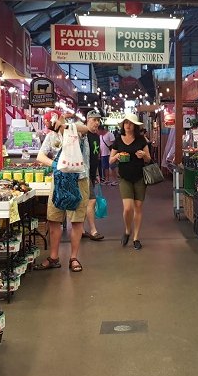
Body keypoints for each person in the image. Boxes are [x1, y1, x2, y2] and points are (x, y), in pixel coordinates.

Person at [35, 111, 91, 273]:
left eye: (53, 120)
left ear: (61, 118)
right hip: (59, 181)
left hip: (79, 180)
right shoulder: (51, 136)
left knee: (76, 220)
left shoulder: (75, 129)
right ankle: (53, 257)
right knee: (54, 218)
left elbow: (86, 128)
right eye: (49, 122)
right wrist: (55, 165)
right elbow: (40, 156)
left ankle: (73, 257)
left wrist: (66, 126)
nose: (52, 124)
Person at [109, 113, 150, 250]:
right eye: (126, 123)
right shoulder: (118, 140)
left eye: (130, 123)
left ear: (134, 126)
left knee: (138, 207)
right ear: (123, 125)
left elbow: (148, 159)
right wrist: (117, 156)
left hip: (139, 177)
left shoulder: (141, 140)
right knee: (127, 208)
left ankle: (136, 237)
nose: (128, 125)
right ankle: (127, 230)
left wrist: (144, 155)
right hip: (125, 178)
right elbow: (110, 160)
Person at [83, 111, 104, 241]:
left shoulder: (96, 136)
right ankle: (93, 230)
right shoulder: (83, 135)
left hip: (91, 173)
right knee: (91, 200)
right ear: (88, 120)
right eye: (94, 120)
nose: (97, 123)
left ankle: (80, 229)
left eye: (98, 120)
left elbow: (95, 156)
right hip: (83, 174)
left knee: (84, 202)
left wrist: (96, 173)